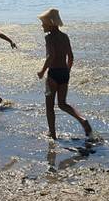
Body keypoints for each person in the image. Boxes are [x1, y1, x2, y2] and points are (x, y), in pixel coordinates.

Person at [36, 8, 92, 139]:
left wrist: (42, 71)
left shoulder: (49, 38)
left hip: (53, 73)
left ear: (50, 23)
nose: (42, 25)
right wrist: (67, 71)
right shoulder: (64, 36)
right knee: (62, 104)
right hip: (64, 72)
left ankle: (53, 134)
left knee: (49, 106)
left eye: (43, 23)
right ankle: (82, 120)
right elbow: (71, 57)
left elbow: (51, 56)